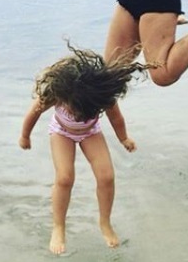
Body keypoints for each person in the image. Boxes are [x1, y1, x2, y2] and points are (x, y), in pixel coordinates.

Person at [19, 43, 152, 254]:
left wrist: (124, 138)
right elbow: (33, 113)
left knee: (106, 176)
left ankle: (105, 222)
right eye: (74, 109)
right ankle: (59, 226)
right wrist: (25, 136)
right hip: (61, 133)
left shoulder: (100, 96)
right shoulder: (57, 93)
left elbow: (116, 118)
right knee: (64, 178)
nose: (77, 113)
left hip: (91, 133)